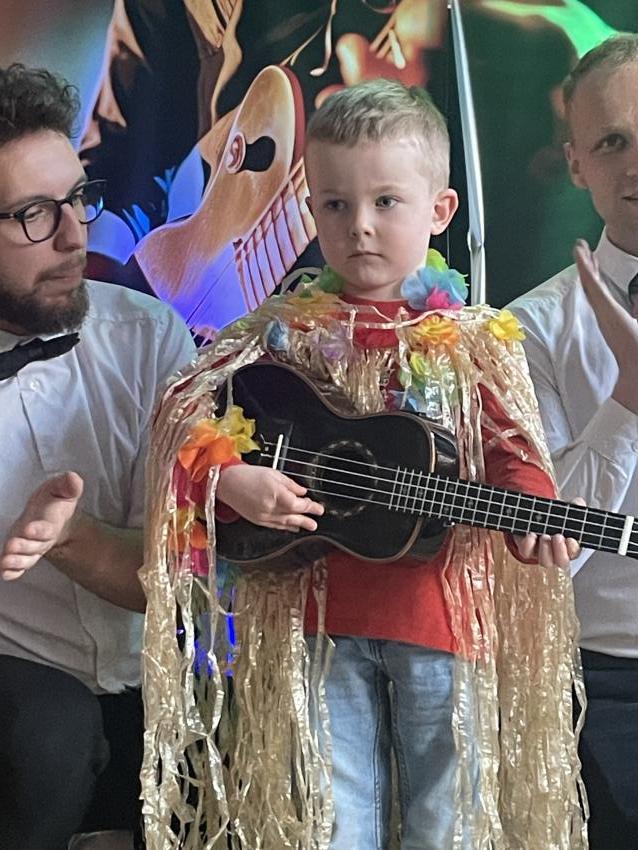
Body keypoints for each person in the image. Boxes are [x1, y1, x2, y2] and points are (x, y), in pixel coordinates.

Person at [129, 78, 587, 850]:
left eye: (386, 202)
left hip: (438, 618)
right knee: (335, 815)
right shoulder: (278, 335)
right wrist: (231, 480)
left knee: (446, 813)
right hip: (318, 619)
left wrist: (533, 511)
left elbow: (512, 450)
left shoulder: (472, 342)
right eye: (336, 205)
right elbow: (182, 418)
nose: (359, 227)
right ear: (312, 209)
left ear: (439, 210)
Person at [0, 64, 195, 850]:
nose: (75, 235)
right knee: (48, 732)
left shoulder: (150, 337)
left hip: (155, 679)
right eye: (33, 215)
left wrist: (69, 537)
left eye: (78, 199)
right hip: (23, 701)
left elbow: (177, 576)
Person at [508, 33, 638, 850]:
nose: (636, 165)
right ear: (577, 163)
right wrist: (628, 399)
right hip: (606, 686)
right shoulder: (532, 329)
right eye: (613, 142)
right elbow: (549, 547)